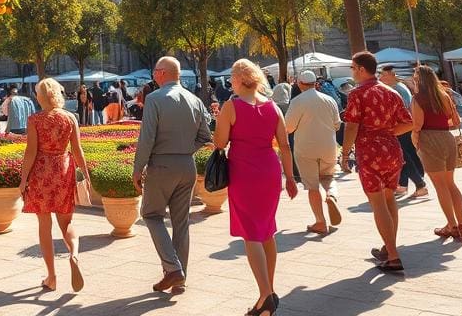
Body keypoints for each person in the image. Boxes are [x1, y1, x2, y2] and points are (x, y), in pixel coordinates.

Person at [214, 59, 297, 316]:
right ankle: (268, 293)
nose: (230, 83)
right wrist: (291, 178)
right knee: (267, 230)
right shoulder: (273, 107)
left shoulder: (232, 106)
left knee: (251, 234)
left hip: (244, 172)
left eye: (231, 79)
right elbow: (284, 145)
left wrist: (219, 119)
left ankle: (265, 295)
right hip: (270, 171)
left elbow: (220, 142)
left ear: (239, 79)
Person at [132, 57, 213, 295]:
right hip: (186, 165)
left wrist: (138, 168)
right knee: (181, 223)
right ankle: (179, 278)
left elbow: (146, 138)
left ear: (163, 73)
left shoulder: (155, 99)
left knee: (151, 214)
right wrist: (186, 150)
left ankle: (173, 268)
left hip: (161, 165)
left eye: (156, 71)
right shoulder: (195, 100)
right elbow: (205, 136)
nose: (154, 75)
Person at [341, 51, 413, 273]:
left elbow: (351, 125)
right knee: (390, 199)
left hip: (370, 151)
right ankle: (388, 246)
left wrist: (345, 154)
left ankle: (392, 254)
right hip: (392, 149)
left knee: (378, 203)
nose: (352, 72)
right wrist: (388, 132)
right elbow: (408, 123)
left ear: (362, 69)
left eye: (353, 68)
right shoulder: (391, 92)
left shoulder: (357, 93)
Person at [19, 78, 88, 292]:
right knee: (66, 222)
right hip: (63, 170)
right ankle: (74, 254)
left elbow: (30, 153)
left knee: (44, 226)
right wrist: (86, 174)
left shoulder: (35, 120)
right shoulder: (70, 118)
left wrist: (23, 180)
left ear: (40, 97)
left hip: (41, 173)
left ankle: (51, 277)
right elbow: (77, 150)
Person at [411, 65, 462, 238]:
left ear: (419, 79)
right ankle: (461, 223)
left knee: (440, 186)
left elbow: (417, 124)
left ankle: (452, 225)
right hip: (447, 138)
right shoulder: (444, 95)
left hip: (429, 139)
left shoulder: (418, 98)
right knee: (451, 184)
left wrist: (415, 139)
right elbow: (454, 119)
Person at [284, 70, 342, 235]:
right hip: (328, 146)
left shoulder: (297, 102)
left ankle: (320, 222)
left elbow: (288, 127)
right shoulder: (329, 99)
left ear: (300, 83)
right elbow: (337, 124)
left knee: (312, 186)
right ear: (316, 83)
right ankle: (331, 195)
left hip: (306, 148)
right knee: (329, 178)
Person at [379, 66, 427, 199]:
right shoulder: (397, 88)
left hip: (402, 128)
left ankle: (419, 184)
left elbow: (404, 111)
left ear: (391, 75)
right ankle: (405, 185)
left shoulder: (398, 89)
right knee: (404, 157)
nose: (380, 78)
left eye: (382, 75)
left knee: (403, 157)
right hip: (402, 128)